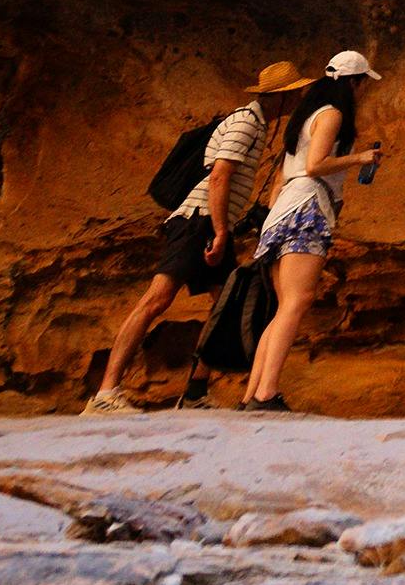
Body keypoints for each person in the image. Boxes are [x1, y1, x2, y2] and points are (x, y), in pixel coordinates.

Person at [85, 59, 308, 413]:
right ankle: (106, 393)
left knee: (225, 306)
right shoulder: (246, 123)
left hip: (212, 222)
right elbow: (219, 177)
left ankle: (194, 392)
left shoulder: (256, 124)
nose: (299, 98)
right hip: (198, 221)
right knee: (156, 300)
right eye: (295, 93)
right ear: (280, 96)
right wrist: (220, 231)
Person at [242, 50, 387, 411]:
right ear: (353, 83)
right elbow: (315, 165)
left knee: (283, 306)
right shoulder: (332, 114)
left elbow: (288, 172)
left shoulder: (306, 115)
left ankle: (252, 393)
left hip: (283, 209)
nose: (363, 91)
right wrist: (360, 158)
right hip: (307, 208)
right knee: (297, 302)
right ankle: (266, 394)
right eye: (363, 83)